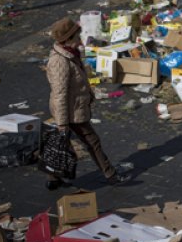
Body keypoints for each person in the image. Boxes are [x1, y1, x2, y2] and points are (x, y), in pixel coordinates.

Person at [46, 18, 128, 190]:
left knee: (63, 145)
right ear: (68, 39)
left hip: (75, 108)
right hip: (71, 112)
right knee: (92, 141)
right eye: (77, 35)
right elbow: (60, 94)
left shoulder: (71, 53)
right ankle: (110, 174)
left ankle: (54, 178)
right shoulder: (60, 62)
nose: (80, 37)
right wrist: (62, 123)